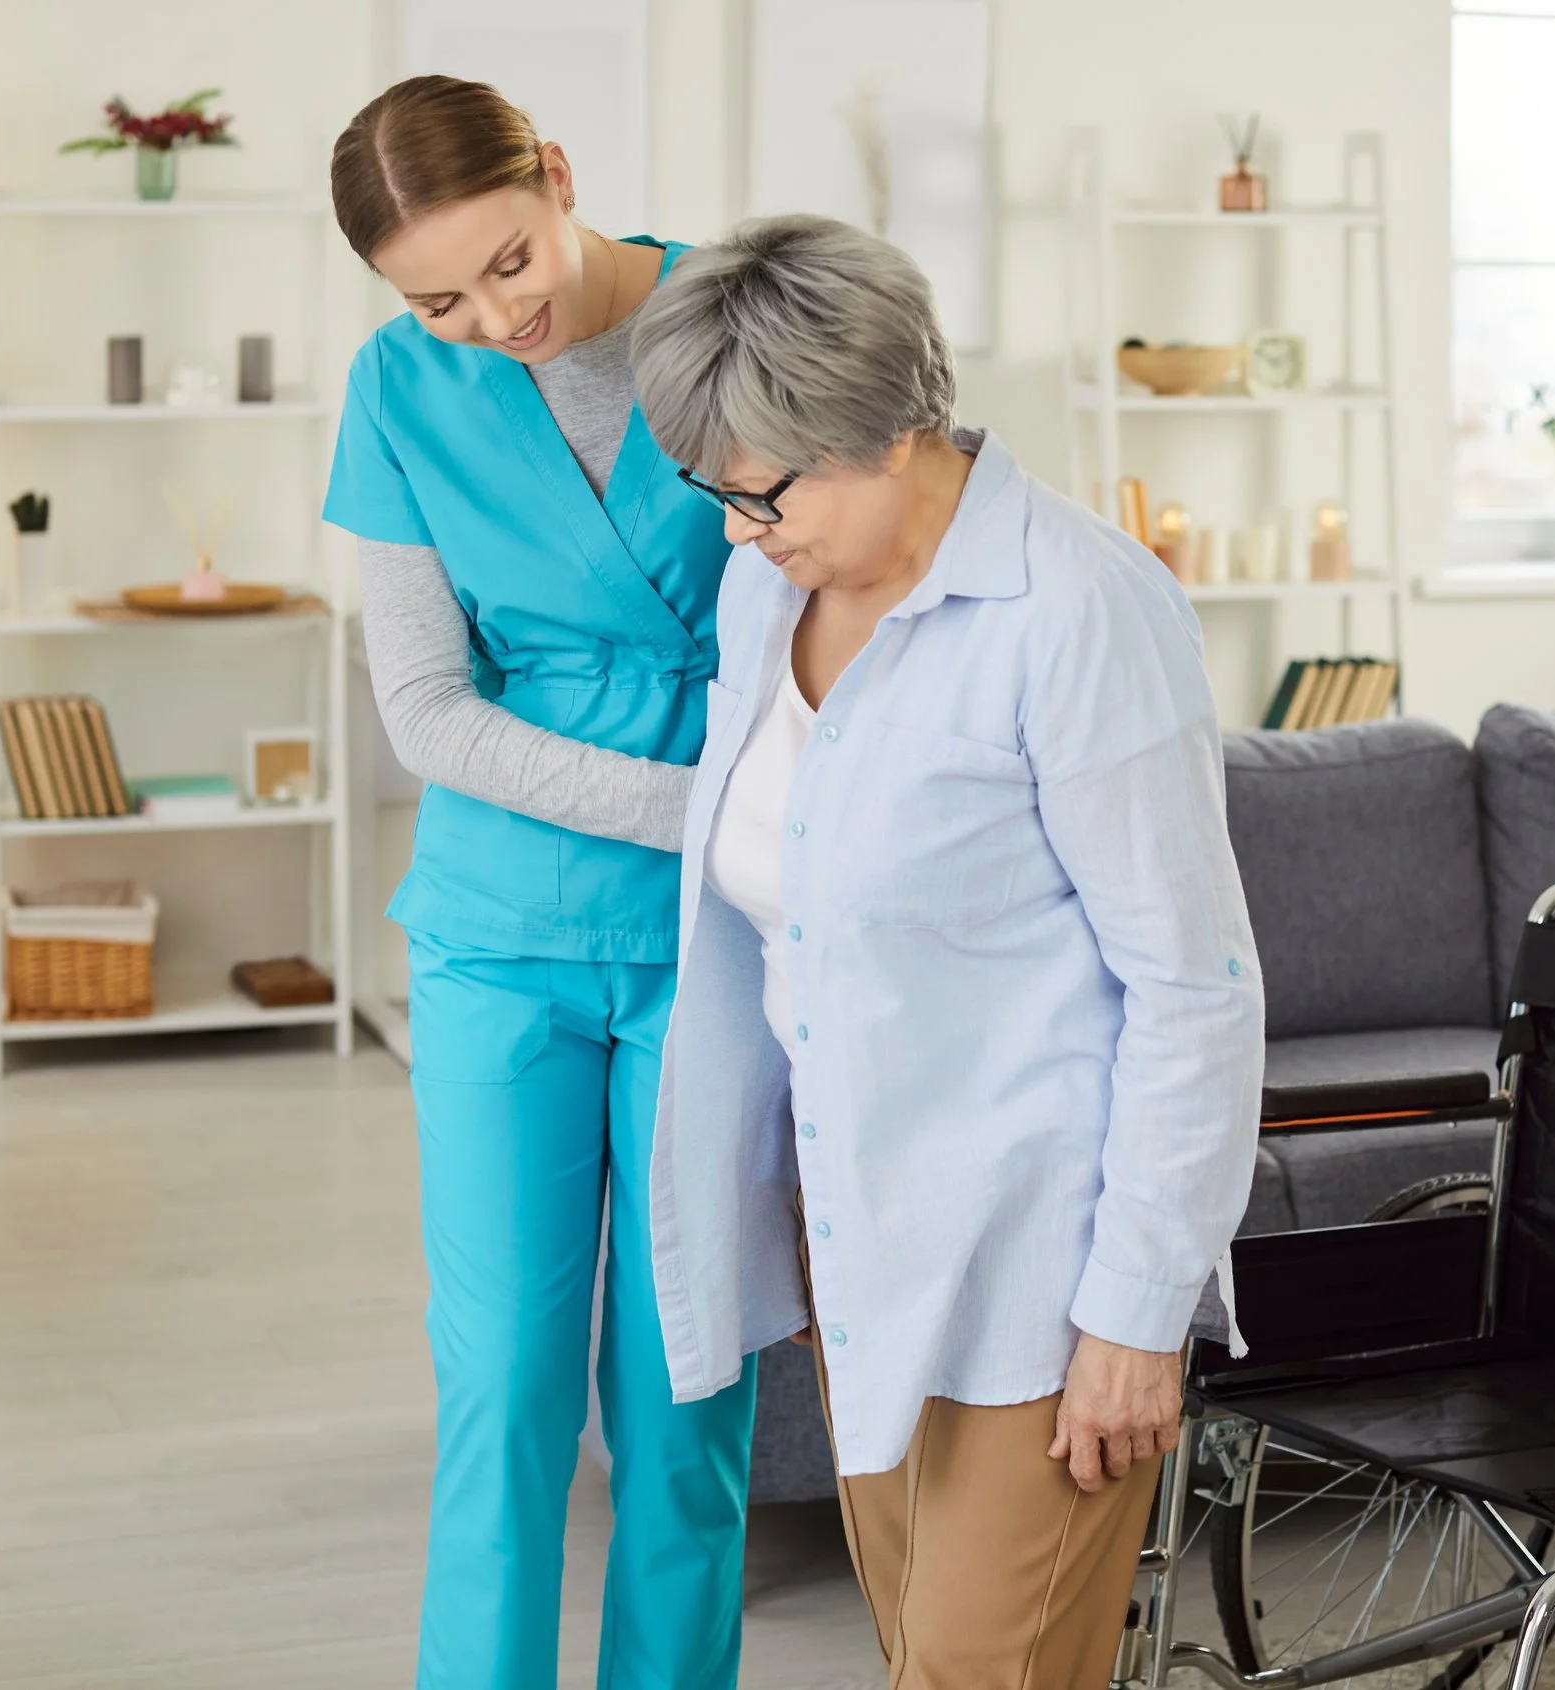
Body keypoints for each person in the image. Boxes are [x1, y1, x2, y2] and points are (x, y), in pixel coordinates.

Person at [631, 215, 1265, 1690]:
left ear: (893, 429)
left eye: (761, 489)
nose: (736, 525)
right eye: (711, 491)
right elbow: (785, 920)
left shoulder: (1082, 612)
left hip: (1044, 1275)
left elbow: (1195, 989)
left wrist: (1134, 1313)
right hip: (870, 1256)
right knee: (930, 1655)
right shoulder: (765, 589)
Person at [320, 75, 753, 1690]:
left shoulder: (733, 317)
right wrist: (701, 804)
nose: (493, 317)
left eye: (511, 261)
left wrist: (761, 830)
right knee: (500, 1387)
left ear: (559, 178)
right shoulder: (395, 385)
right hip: (501, 937)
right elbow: (428, 711)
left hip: (715, 939)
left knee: (686, 1391)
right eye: (438, 296)